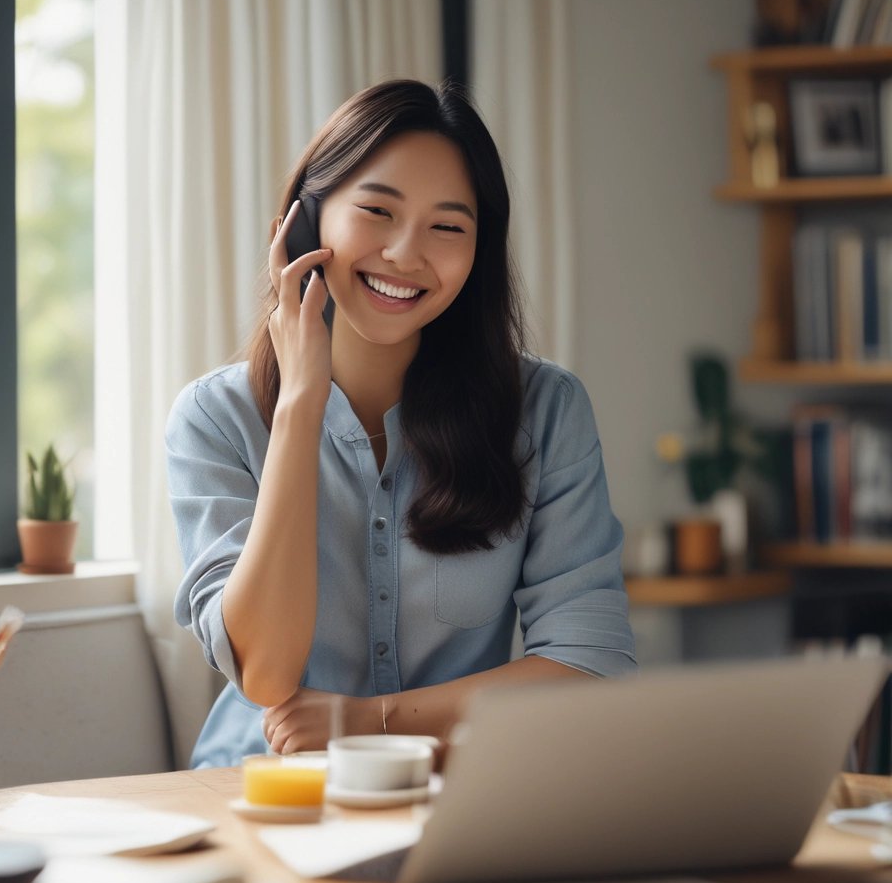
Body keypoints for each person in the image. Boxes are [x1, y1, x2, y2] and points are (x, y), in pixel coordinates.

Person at [167, 79, 636, 769]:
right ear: (302, 225)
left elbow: (591, 668)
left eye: (447, 227)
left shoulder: (545, 410)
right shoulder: (215, 419)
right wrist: (300, 402)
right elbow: (265, 674)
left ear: (478, 252)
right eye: (377, 212)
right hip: (266, 794)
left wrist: (369, 722)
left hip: (458, 795)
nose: (405, 254)